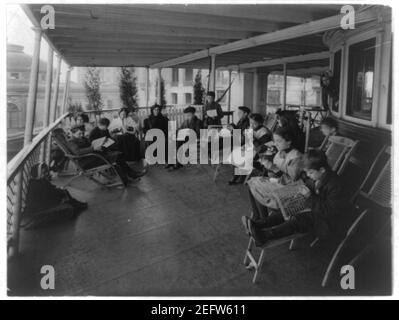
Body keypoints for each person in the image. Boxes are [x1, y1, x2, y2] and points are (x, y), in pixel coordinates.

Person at [242, 150, 345, 246]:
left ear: (322, 170)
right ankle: (257, 225)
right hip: (312, 206)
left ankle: (265, 236)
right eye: (307, 172)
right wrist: (294, 191)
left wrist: (309, 196)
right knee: (289, 206)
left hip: (325, 221)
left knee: (299, 218)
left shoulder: (335, 185)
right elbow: (306, 185)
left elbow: (329, 211)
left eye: (311, 172)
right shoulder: (316, 177)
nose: (308, 175)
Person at [246, 126, 304, 218]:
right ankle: (258, 217)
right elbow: (275, 171)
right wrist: (266, 166)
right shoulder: (281, 152)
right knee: (252, 183)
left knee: (258, 189)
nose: (276, 144)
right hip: (279, 182)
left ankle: (264, 220)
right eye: (275, 141)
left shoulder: (296, 157)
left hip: (292, 189)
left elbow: (293, 180)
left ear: (289, 141)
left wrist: (273, 169)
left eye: (279, 141)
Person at [66, 125, 140, 185]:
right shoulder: (71, 142)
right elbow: (78, 152)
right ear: (73, 134)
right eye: (79, 134)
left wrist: (99, 144)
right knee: (117, 157)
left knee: (118, 154)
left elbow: (90, 145)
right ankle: (127, 179)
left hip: (93, 157)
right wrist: (93, 148)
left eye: (82, 133)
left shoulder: (82, 138)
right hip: (87, 162)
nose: (81, 135)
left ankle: (131, 174)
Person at [24, 163, 88, 226]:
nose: (47, 174)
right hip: (39, 209)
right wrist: (59, 198)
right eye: (44, 172)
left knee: (64, 192)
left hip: (46, 204)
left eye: (47, 172)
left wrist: (60, 192)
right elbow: (45, 200)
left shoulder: (41, 181)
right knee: (68, 208)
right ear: (38, 174)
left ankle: (76, 205)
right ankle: (75, 206)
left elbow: (51, 190)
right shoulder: (36, 185)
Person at [169, 106, 203, 170]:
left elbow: (199, 133)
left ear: (193, 114)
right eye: (186, 115)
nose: (187, 116)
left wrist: (189, 132)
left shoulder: (198, 122)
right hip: (185, 138)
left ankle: (178, 163)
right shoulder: (186, 121)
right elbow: (180, 128)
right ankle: (172, 161)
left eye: (189, 115)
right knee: (172, 141)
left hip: (193, 139)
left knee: (179, 143)